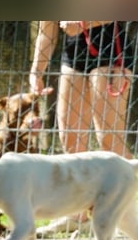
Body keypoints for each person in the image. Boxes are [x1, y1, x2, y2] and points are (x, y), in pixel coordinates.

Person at [29, 21, 135, 158]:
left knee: (109, 141)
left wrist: (85, 23)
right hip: (73, 54)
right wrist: (36, 73)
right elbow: (46, 33)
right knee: (70, 141)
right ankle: (82, 173)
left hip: (111, 50)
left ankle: (128, 171)